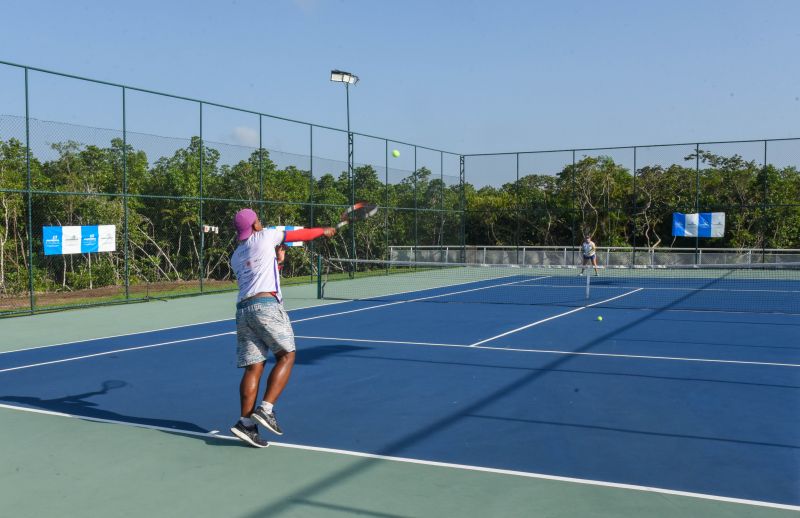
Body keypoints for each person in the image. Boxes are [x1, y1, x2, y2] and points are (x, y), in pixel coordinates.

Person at [229, 208, 335, 448]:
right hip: (266, 306)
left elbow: (259, 275)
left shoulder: (236, 255)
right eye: (258, 219)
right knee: (287, 355)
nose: (261, 221)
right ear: (255, 224)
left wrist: (279, 262)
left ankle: (246, 423)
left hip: (244, 310)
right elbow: (300, 234)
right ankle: (266, 409)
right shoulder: (267, 235)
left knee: (253, 368)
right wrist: (323, 231)